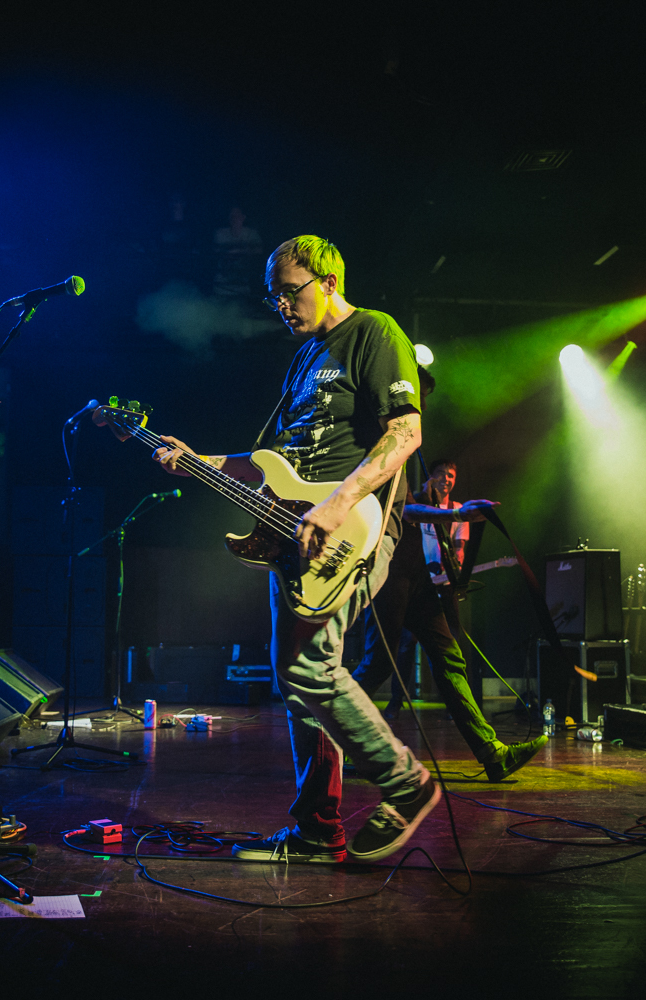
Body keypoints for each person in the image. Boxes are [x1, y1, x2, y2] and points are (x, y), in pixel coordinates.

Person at [136, 235, 435, 864]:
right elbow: (274, 464)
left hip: (349, 524)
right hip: (292, 533)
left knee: (309, 671)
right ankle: (317, 829)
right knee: (297, 683)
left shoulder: (374, 333)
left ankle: (407, 786)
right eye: (272, 296)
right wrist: (197, 460)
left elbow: (405, 432)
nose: (280, 305)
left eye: (289, 290)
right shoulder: (303, 360)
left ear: (327, 279)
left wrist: (335, 505)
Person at [352, 446, 547, 782]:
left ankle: (492, 753)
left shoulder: (406, 462)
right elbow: (404, 511)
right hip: (390, 575)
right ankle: (326, 742)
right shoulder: (380, 459)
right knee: (378, 664)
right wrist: (458, 516)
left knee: (449, 658)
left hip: (419, 579)